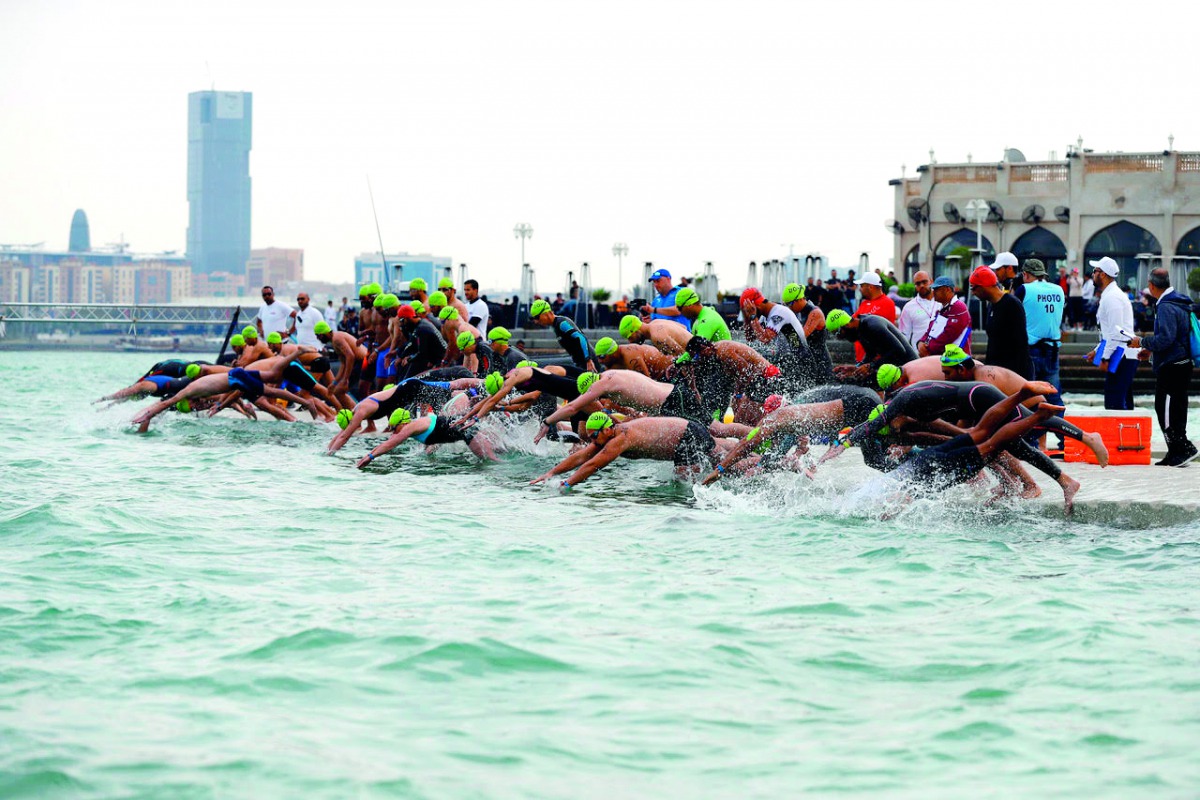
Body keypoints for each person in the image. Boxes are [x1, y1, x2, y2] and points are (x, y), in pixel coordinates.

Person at [531, 413, 739, 489]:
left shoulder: (620, 438)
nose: (592, 441)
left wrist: (567, 484)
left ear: (607, 429)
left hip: (688, 435)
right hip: (682, 439)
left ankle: (756, 467)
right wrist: (551, 473)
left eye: (595, 436)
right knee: (718, 466)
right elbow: (582, 456)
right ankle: (753, 462)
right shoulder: (608, 435)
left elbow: (593, 465)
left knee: (692, 485)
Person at [1127, 267, 1198, 466]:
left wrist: (1141, 342)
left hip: (1172, 365)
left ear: (1151, 285)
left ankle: (1180, 450)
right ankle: (1177, 450)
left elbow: (1166, 338)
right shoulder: (1180, 301)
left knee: (1164, 408)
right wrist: (1151, 351)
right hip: (1183, 362)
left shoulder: (1166, 305)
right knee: (1177, 407)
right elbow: (1174, 337)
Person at [1020, 259, 1066, 447]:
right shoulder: (1059, 290)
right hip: (1053, 348)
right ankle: (1066, 438)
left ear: (1026, 274)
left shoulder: (1025, 289)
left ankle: (1031, 442)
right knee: (1054, 396)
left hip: (1032, 350)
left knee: (1030, 396)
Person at [1084, 256, 1140, 410]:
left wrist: (1105, 357)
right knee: (1122, 403)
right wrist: (1097, 351)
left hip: (1121, 355)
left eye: (1095, 271)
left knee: (1114, 404)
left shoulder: (1112, 297)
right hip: (1122, 353)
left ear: (1102, 274)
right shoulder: (1111, 295)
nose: (1093, 274)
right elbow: (1110, 333)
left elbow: (1116, 334)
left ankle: (1120, 434)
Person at [969, 266, 1030, 377]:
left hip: (1012, 372)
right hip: (996, 371)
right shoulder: (991, 305)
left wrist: (1019, 377)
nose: (973, 293)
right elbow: (993, 342)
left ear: (984, 286)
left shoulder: (1012, 304)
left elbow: (1021, 343)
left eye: (973, 288)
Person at [826, 309, 917, 382]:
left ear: (846, 324)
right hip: (899, 370)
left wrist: (870, 366)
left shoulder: (872, 325)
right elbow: (871, 355)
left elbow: (899, 350)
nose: (839, 338)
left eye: (838, 333)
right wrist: (857, 368)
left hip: (912, 369)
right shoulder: (861, 329)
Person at [781, 282, 834, 383]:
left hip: (821, 364)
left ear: (800, 299)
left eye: (790, 304)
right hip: (809, 363)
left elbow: (801, 337)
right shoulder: (799, 313)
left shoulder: (815, 313)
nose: (789, 308)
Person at [530, 298, 598, 371]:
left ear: (546, 313)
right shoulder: (556, 325)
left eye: (537, 317)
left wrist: (588, 359)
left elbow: (581, 337)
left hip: (589, 364)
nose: (536, 321)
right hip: (580, 363)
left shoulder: (562, 323)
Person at [917, 276, 972, 356]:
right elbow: (930, 330)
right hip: (945, 358)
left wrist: (928, 348)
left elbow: (949, 334)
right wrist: (921, 342)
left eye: (936, 289)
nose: (933, 292)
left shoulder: (958, 307)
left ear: (947, 290)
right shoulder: (942, 308)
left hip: (957, 360)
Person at [851, 271, 896, 362]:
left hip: (876, 361)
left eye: (862, 286)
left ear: (870, 287)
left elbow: (882, 334)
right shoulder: (864, 303)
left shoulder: (887, 303)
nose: (860, 289)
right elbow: (852, 321)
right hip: (862, 359)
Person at [594, 337, 675, 380]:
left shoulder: (631, 357)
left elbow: (647, 385)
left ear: (612, 353)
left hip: (670, 371)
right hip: (661, 377)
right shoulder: (611, 363)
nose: (599, 361)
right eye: (597, 357)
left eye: (602, 357)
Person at [618, 314, 693, 357]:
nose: (630, 342)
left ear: (635, 330)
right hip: (697, 346)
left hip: (698, 356)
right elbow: (684, 327)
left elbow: (683, 357)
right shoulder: (656, 322)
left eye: (630, 337)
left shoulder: (657, 337)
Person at [897, 271, 938, 347]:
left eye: (924, 282)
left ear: (931, 282)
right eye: (918, 283)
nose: (921, 285)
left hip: (942, 354)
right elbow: (903, 336)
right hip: (919, 355)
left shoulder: (942, 301)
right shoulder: (909, 307)